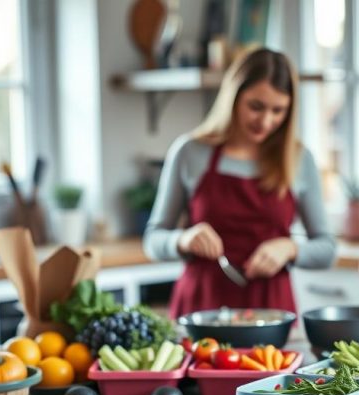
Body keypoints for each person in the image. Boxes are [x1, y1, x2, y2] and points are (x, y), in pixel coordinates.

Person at [143, 48, 336, 318]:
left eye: (278, 110)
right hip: (201, 309)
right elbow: (153, 240)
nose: (266, 121)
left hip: (271, 313)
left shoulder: (299, 159)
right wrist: (182, 239)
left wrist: (290, 248)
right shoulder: (190, 152)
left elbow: (327, 248)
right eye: (256, 106)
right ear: (233, 97)